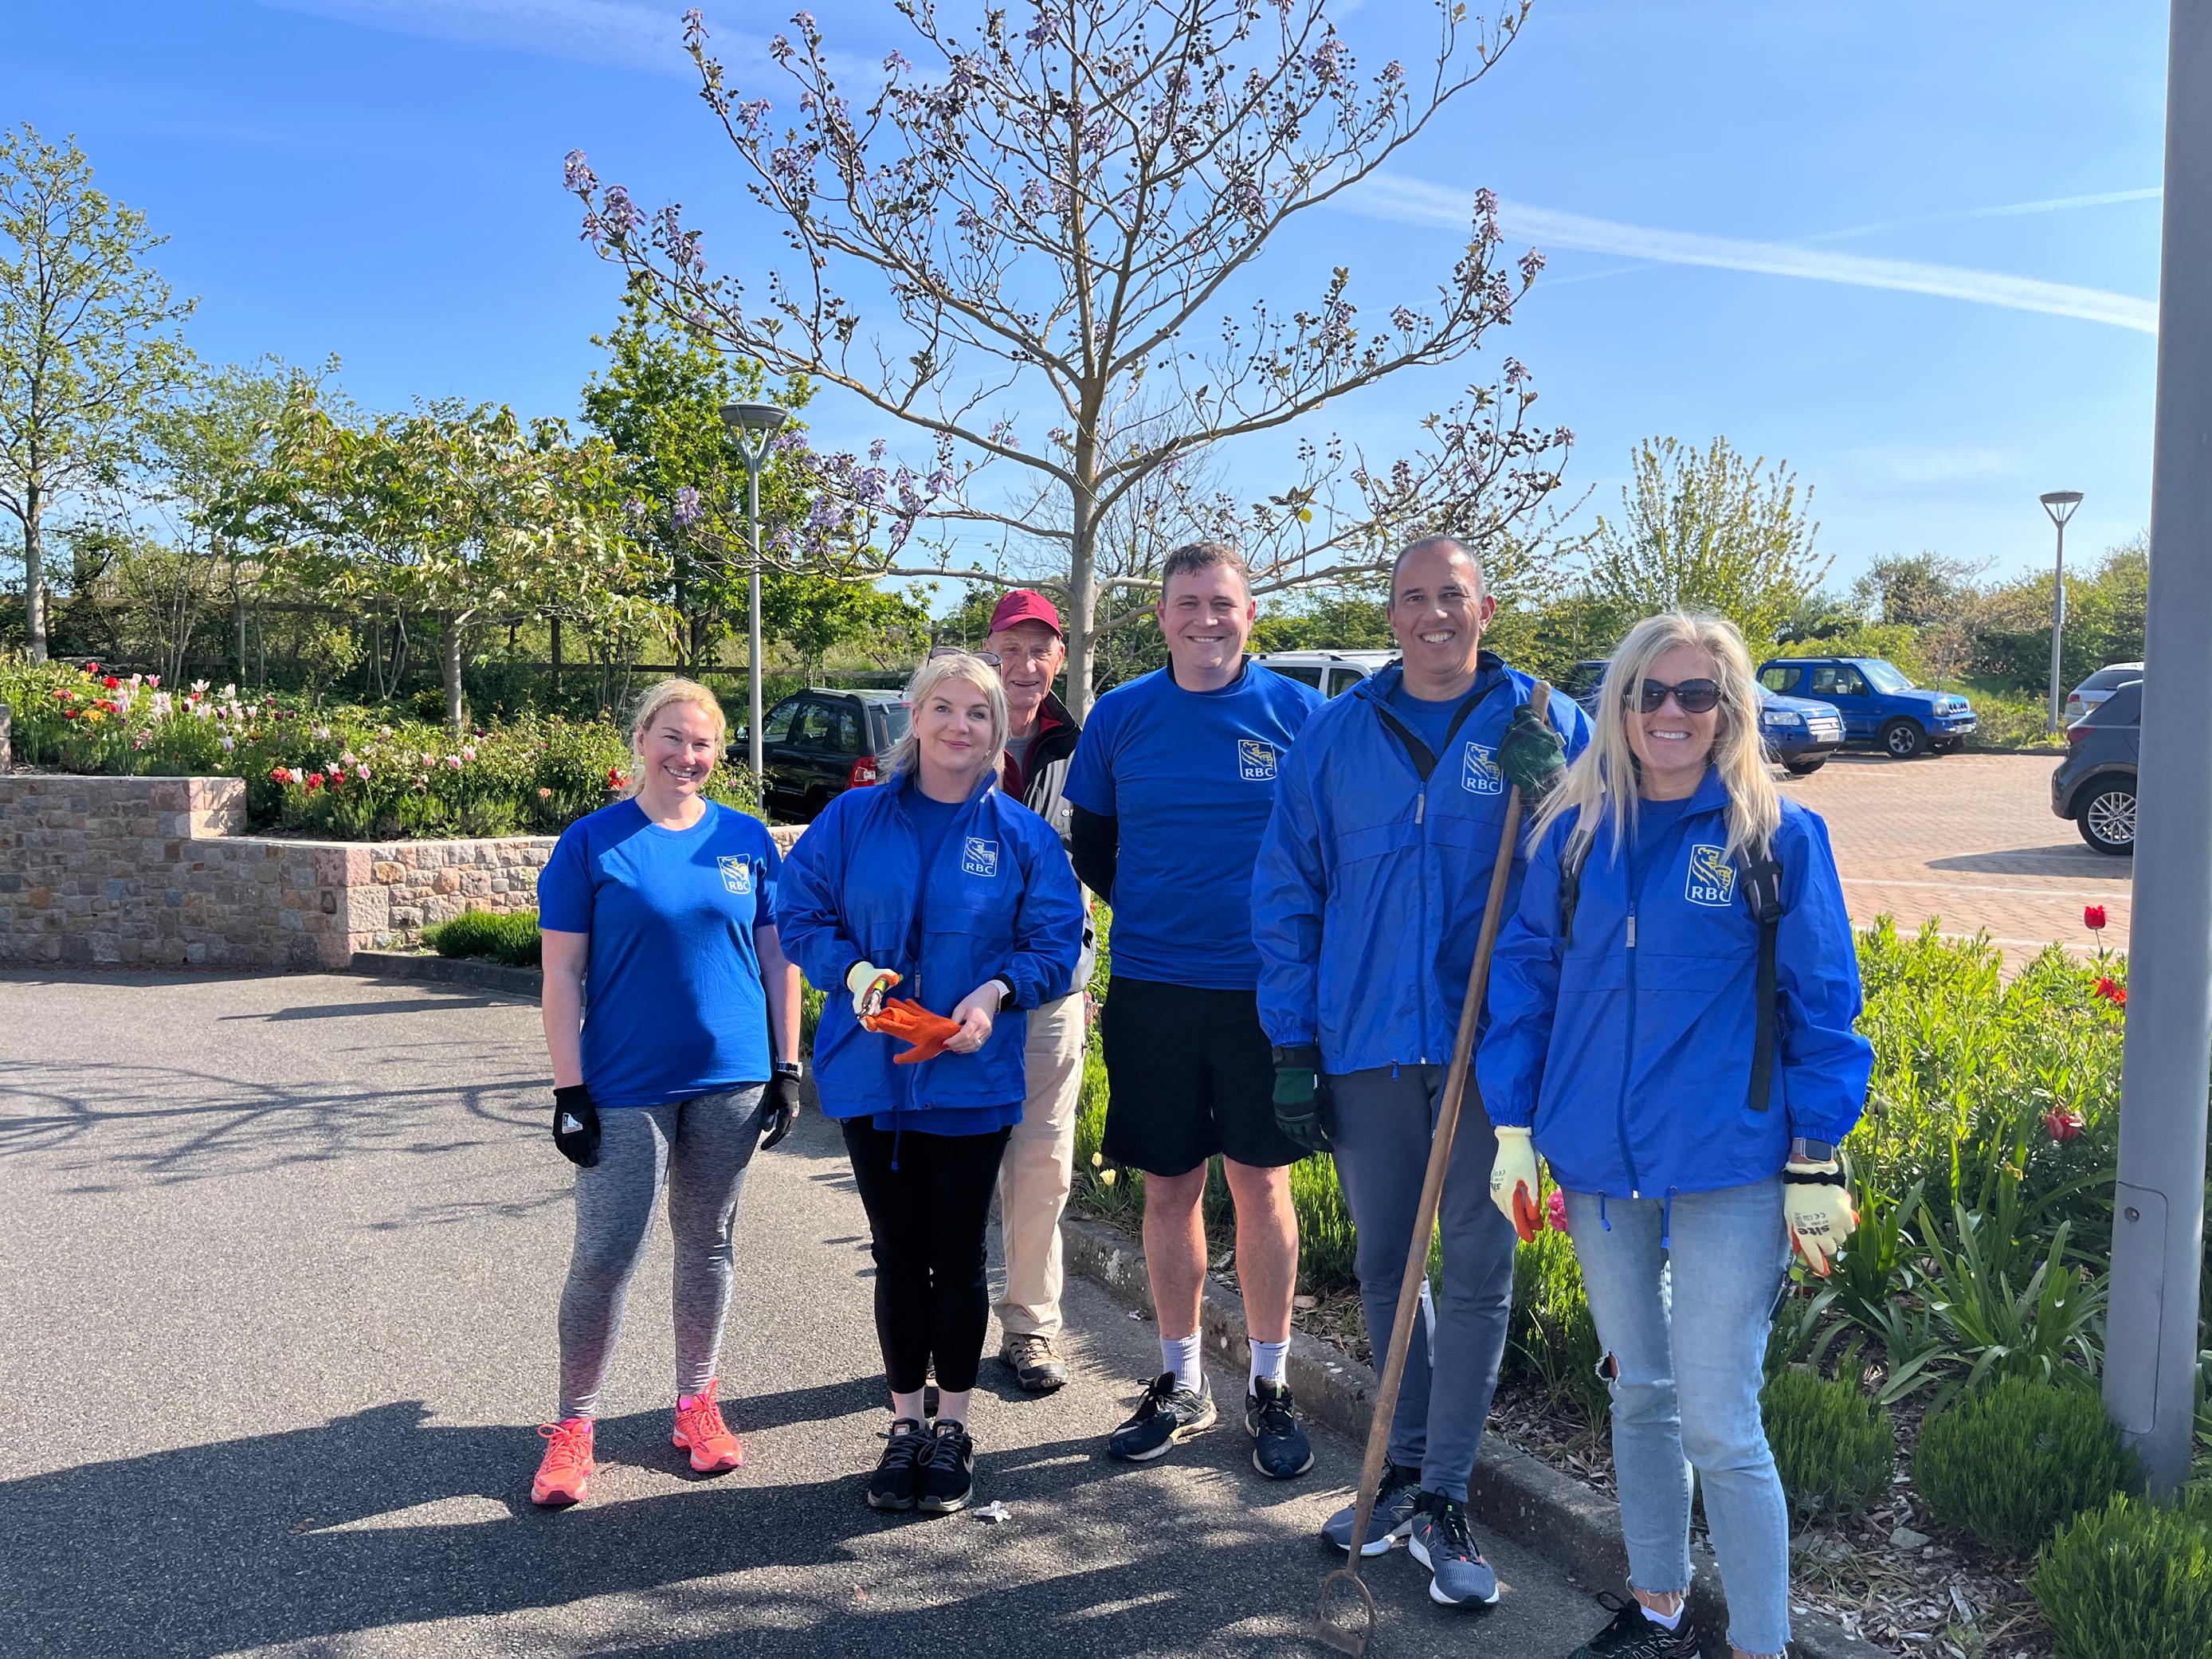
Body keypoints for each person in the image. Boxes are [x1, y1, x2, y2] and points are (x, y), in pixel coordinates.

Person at [1477, 612, 1873, 1659]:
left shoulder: (1776, 837)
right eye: (1648, 692)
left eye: (1696, 693)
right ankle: (1656, 1607)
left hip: (1729, 1165)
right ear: (1618, 706)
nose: (1670, 712)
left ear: (1729, 709)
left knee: (1719, 1420)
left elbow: (1824, 1007)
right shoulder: (1571, 835)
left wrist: (1816, 1156)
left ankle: (1759, 1642)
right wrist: (1513, 1125)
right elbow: (1524, 984)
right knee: (1640, 1393)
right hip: (1598, 1165)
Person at [1252, 534, 1590, 1606]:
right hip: (1368, 1042)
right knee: (1389, 1264)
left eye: (1453, 595)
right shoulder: (1335, 733)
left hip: (1496, 1047)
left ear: (1486, 608)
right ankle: (1397, 1473)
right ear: (1390, 613)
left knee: (1481, 1270)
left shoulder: (1545, 722)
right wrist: (1292, 1042)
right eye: (1413, 597)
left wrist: (1562, 803)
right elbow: (1289, 889)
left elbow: (1604, 871)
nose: (1433, 613)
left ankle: (1446, 1494)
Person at [778, 651, 1084, 1516]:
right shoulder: (851, 819)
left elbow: (1055, 942)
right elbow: (799, 912)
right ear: (913, 718)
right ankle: (904, 1424)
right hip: (873, 1074)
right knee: (896, 1255)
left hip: (972, 1077)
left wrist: (997, 992)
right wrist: (855, 976)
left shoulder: (1020, 836)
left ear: (998, 732)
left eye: (978, 713)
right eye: (943, 707)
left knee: (956, 1258)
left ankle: (953, 1429)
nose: (960, 725)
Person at [1064, 541, 1325, 1480]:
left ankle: (1269, 1384)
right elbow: (1094, 847)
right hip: (1154, 987)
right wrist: (1162, 913)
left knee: (1262, 1185)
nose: (1205, 619)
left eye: (1222, 603)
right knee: (1167, 1188)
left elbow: (1330, 851)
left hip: (1269, 996)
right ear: (1162, 616)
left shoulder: (1301, 715)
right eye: (1187, 603)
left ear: (1250, 614)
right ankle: (1180, 1381)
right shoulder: (1121, 716)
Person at [529, 677, 805, 1508]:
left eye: (703, 743)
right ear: (643, 740)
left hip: (732, 1076)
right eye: (673, 738)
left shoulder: (747, 840)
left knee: (708, 1242)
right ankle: (575, 1424)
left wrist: (787, 1066)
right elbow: (562, 974)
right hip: (623, 1083)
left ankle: (696, 1404)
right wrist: (569, 1089)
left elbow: (778, 960)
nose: (687, 756)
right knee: (606, 1254)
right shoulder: (592, 843)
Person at [982, 589, 1097, 1394]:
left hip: (1048, 988)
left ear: (1058, 657)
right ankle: (942, 1319)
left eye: (1039, 650)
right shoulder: (951, 729)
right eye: (1010, 649)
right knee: (950, 1165)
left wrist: (1081, 969)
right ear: (988, 651)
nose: (1024, 666)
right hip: (952, 993)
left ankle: (1030, 1328)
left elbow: (1087, 870)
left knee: (1042, 1165)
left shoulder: (1081, 748)